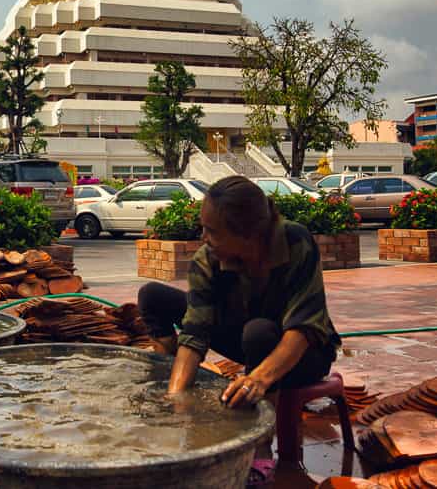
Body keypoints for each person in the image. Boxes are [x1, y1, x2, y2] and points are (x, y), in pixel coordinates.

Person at [138, 175, 340, 411]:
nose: (204, 238)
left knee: (258, 331)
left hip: (305, 355)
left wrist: (257, 380)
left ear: (249, 235)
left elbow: (303, 328)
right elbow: (195, 333)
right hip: (248, 342)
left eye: (212, 231)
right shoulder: (207, 258)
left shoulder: (295, 242)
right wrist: (176, 398)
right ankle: (167, 375)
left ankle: (261, 437)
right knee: (152, 295)